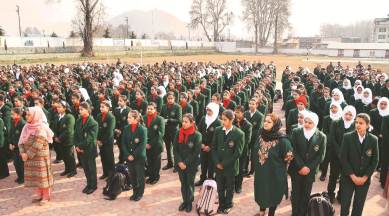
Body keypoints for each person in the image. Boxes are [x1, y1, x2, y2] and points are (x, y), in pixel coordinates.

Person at [253, 113, 293, 216]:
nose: (265, 123)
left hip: (275, 174)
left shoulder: (282, 140)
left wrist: (277, 163)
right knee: (262, 191)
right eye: (265, 121)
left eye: (269, 122)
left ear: (275, 124)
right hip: (261, 172)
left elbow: (289, 157)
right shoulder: (261, 134)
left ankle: (271, 213)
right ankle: (262, 211)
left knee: (273, 193)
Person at [340, 113, 379, 216]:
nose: (357, 125)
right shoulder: (347, 137)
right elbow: (343, 158)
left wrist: (365, 177)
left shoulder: (373, 139)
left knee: (359, 205)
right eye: (356, 122)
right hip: (348, 177)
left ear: (367, 125)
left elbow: (375, 160)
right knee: (345, 204)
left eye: (361, 123)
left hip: (364, 180)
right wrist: (353, 176)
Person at [288, 111, 326, 216]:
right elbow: (293, 150)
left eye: (310, 123)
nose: (307, 124)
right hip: (297, 169)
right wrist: (301, 166)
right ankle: (295, 213)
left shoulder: (322, 136)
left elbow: (321, 156)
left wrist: (308, 168)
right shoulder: (296, 132)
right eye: (305, 121)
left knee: (305, 194)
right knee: (296, 194)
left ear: (315, 123)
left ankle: (302, 213)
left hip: (310, 171)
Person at [18, 106, 54, 205]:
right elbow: (21, 141)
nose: (27, 116)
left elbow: (38, 143)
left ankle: (46, 195)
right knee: (36, 177)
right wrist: (22, 153)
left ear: (35, 115)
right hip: (30, 158)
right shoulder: (26, 127)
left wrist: (27, 155)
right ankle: (39, 193)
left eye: (29, 114)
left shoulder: (41, 127)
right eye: (26, 114)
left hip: (40, 157)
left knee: (43, 177)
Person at [212, 109, 244, 214]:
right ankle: (221, 204)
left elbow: (237, 153)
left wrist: (223, 164)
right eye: (222, 119)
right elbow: (214, 148)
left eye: (225, 120)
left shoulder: (239, 134)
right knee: (220, 187)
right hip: (218, 165)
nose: (222, 122)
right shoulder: (218, 130)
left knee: (230, 188)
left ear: (231, 120)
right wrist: (217, 162)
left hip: (230, 167)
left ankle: (229, 204)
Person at [327, 105, 356, 203]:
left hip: (348, 158)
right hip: (335, 155)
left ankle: (341, 196)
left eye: (350, 115)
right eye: (346, 114)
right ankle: (330, 194)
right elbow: (332, 138)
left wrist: (345, 155)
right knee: (333, 176)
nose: (347, 116)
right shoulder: (336, 122)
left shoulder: (355, 126)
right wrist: (339, 152)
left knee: (345, 178)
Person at [174, 113, 202, 213]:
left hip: (191, 164)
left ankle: (189, 202)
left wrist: (185, 162)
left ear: (192, 123)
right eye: (183, 121)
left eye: (186, 122)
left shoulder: (197, 135)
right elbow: (175, 149)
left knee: (189, 184)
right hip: (180, 163)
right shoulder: (179, 132)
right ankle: (185, 201)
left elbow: (195, 152)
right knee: (183, 183)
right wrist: (179, 161)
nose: (184, 123)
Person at [121, 110, 147, 201]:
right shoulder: (126, 128)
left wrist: (133, 155)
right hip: (129, 157)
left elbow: (142, 145)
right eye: (128, 117)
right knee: (132, 175)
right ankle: (135, 192)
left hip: (139, 157)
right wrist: (128, 154)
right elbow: (123, 143)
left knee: (140, 176)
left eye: (129, 117)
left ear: (136, 119)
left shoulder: (142, 129)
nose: (127, 119)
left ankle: (140, 193)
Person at [74, 102, 99, 195]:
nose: (79, 111)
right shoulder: (79, 121)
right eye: (79, 109)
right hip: (80, 149)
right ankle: (89, 184)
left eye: (82, 109)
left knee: (91, 168)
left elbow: (90, 138)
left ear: (87, 110)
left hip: (89, 149)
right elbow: (75, 134)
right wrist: (76, 145)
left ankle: (93, 185)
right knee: (85, 168)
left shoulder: (93, 123)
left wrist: (80, 146)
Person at [195, 102, 221, 186]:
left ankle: (210, 181)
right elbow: (198, 132)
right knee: (203, 164)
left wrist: (210, 147)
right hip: (202, 147)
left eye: (210, 110)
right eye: (207, 110)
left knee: (211, 165)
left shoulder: (218, 122)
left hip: (212, 148)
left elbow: (217, 138)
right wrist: (201, 144)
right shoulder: (203, 119)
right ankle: (202, 179)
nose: (208, 112)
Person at [319, 102, 343, 181]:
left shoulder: (341, 119)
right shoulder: (326, 118)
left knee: (337, 161)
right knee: (326, 160)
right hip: (329, 143)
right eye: (331, 107)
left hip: (338, 143)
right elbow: (325, 131)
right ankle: (323, 173)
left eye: (335, 107)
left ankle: (337, 175)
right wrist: (331, 140)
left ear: (338, 108)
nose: (333, 109)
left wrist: (336, 141)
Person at [143, 102, 165, 185]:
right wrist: (145, 143)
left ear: (155, 109)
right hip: (146, 144)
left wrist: (150, 144)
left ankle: (156, 177)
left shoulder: (160, 119)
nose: (149, 110)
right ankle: (151, 176)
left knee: (156, 162)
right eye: (148, 108)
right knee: (149, 161)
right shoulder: (144, 118)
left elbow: (160, 134)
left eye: (151, 109)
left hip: (156, 145)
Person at [54, 100, 77, 178]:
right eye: (57, 107)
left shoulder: (69, 117)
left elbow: (68, 130)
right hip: (60, 140)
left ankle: (73, 170)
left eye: (59, 107)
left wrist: (59, 138)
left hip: (68, 140)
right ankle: (67, 169)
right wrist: (55, 136)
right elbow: (55, 127)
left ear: (65, 108)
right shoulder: (58, 116)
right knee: (64, 156)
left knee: (70, 156)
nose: (58, 108)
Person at [160, 92, 182, 171]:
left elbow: (179, 120)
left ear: (174, 99)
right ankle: (170, 163)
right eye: (168, 98)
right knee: (168, 148)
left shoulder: (178, 107)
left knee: (175, 148)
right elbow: (161, 117)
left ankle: (177, 165)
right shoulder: (163, 106)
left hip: (174, 130)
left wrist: (169, 120)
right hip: (166, 130)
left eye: (171, 98)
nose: (170, 100)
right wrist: (163, 120)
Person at [233, 106, 252, 193]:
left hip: (242, 151)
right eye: (235, 112)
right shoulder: (232, 122)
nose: (236, 114)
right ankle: (232, 185)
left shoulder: (248, 125)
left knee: (240, 169)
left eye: (238, 112)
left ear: (242, 113)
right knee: (232, 168)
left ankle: (238, 186)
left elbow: (247, 140)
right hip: (231, 149)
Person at [244, 98, 264, 176]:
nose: (251, 105)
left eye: (253, 104)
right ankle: (244, 169)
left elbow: (259, 129)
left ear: (257, 105)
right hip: (246, 137)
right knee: (245, 153)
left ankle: (252, 171)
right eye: (250, 104)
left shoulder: (260, 115)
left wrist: (250, 133)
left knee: (253, 155)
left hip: (254, 138)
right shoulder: (245, 113)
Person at [96, 100, 116, 179]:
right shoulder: (98, 116)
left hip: (107, 141)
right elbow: (97, 128)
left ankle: (111, 174)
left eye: (103, 107)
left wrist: (102, 141)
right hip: (100, 141)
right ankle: (105, 173)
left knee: (109, 158)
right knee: (103, 157)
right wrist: (97, 139)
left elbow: (109, 132)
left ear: (108, 108)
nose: (101, 108)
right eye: (100, 107)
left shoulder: (111, 117)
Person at [8, 107, 26, 184]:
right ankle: (19, 176)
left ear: (18, 114)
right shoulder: (12, 122)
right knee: (15, 163)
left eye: (13, 114)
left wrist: (15, 145)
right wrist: (10, 143)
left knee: (21, 163)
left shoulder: (23, 123)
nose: (11, 115)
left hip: (20, 147)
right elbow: (11, 134)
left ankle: (23, 177)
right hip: (14, 146)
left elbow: (22, 137)